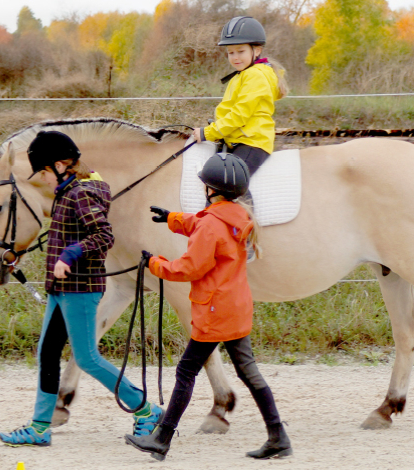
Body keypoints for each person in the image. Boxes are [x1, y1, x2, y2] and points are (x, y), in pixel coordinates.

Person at [0, 130, 163, 447]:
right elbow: (64, 234)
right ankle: (40, 427)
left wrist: (70, 255)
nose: (43, 180)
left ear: (60, 165)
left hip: (81, 289)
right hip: (61, 289)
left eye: (44, 172)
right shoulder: (67, 191)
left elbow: (103, 236)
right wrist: (19, 255)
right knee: (47, 353)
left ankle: (146, 410)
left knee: (87, 358)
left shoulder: (81, 194)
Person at [124, 153, 292, 461]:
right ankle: (278, 435)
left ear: (211, 190)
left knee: (186, 371)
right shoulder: (237, 215)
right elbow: (204, 225)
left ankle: (161, 439)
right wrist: (173, 218)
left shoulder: (212, 224)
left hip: (214, 311)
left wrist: (155, 264)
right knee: (248, 372)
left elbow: (189, 268)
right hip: (236, 306)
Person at [191, 16, 289, 177]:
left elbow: (239, 115)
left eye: (241, 51)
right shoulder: (243, 75)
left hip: (252, 142)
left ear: (256, 50)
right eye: (231, 53)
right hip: (239, 139)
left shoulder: (255, 76)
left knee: (229, 182)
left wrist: (208, 133)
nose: (235, 57)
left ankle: (244, 204)